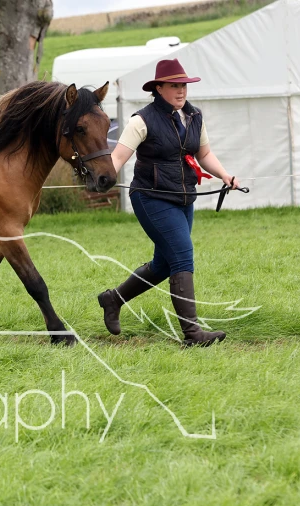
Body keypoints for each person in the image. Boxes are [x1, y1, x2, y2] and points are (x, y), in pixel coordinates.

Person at [100, 58, 238, 347]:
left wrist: (225, 175)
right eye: (174, 86)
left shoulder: (194, 116)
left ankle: (113, 300)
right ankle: (193, 335)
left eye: (184, 85)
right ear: (159, 88)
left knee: (163, 265)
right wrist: (103, 178)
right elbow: (118, 157)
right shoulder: (141, 120)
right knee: (182, 256)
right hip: (150, 198)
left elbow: (204, 154)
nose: (181, 91)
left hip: (183, 198)